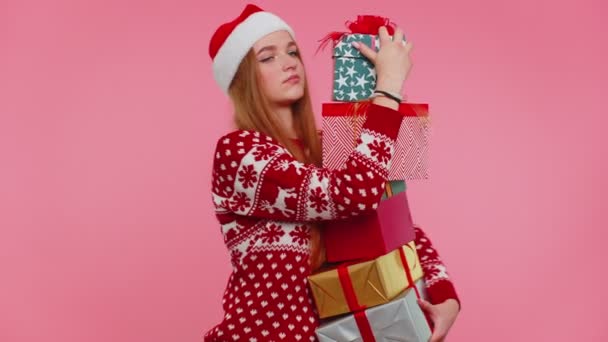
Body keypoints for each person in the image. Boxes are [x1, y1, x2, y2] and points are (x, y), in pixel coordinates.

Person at [204, 4, 460, 341]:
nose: (289, 62)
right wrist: (388, 89)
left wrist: (445, 298)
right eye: (267, 57)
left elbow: (396, 225)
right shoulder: (239, 154)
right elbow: (351, 195)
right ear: (241, 79)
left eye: (292, 51)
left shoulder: (326, 149)